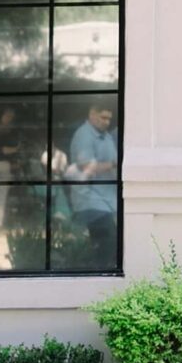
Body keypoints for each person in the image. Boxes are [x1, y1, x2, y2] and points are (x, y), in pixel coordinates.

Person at [61, 99, 120, 271]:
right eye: (103, 118)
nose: (106, 122)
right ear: (92, 114)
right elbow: (87, 166)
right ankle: (97, 278)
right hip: (91, 200)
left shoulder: (106, 135)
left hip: (106, 200)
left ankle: (96, 274)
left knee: (107, 245)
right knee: (108, 242)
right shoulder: (84, 136)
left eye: (109, 119)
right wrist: (113, 164)